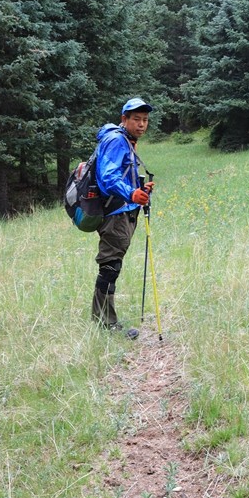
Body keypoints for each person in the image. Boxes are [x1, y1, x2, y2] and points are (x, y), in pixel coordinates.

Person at [91, 97, 155, 337]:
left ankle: (104, 319)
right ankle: (104, 323)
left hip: (123, 211)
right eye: (136, 119)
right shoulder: (117, 141)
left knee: (112, 264)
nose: (141, 124)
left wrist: (140, 189)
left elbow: (123, 174)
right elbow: (107, 177)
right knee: (110, 266)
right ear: (124, 119)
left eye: (145, 120)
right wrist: (131, 193)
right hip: (115, 214)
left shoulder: (127, 141)